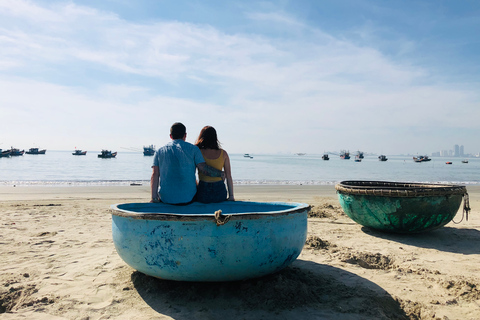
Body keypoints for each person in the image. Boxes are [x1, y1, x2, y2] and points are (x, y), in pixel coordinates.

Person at [150, 122, 224, 204]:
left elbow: (155, 175)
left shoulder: (159, 151)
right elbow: (203, 169)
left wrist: (154, 198)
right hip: (188, 198)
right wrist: (221, 174)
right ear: (185, 135)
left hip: (166, 199)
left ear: (170, 136)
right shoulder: (194, 149)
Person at [195, 126, 234, 203]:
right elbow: (228, 176)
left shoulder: (198, 151)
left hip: (203, 191)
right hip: (220, 192)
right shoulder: (223, 153)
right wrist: (231, 196)